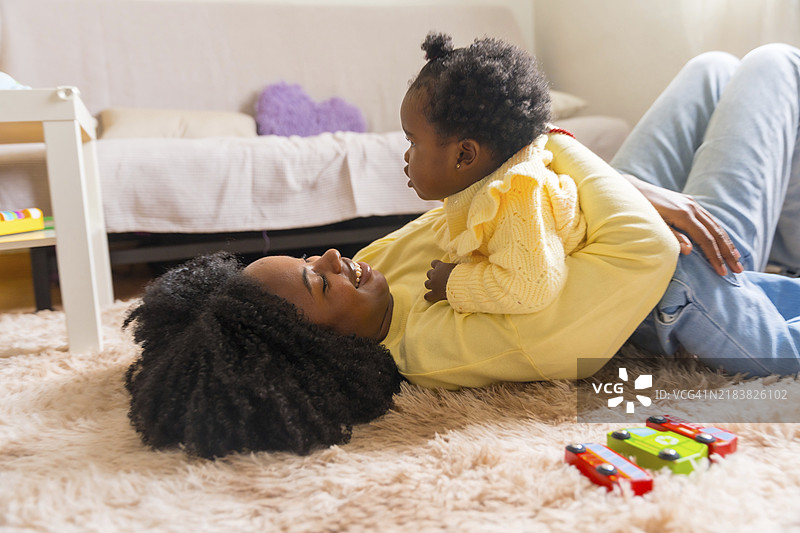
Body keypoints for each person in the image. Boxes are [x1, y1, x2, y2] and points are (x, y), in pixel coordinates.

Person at [124, 41, 800, 459]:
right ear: (328, 349)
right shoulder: (445, 344)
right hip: (672, 271)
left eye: (317, 258)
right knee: (772, 65)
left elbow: (484, 194)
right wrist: (554, 148)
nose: (335, 259)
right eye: (319, 281)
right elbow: (643, 253)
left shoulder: (374, 284)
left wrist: (571, 167)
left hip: (569, 206)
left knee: (712, 69)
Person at [401, 33, 586, 314]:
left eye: (413, 142)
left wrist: (453, 281)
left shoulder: (515, 196)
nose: (406, 155)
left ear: (464, 155)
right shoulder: (484, 180)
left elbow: (532, 286)